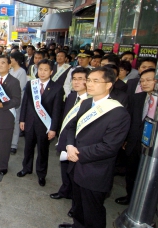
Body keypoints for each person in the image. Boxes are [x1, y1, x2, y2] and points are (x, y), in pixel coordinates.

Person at [59, 67, 130, 228]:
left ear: (108, 84)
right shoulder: (86, 104)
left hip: (94, 172)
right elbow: (72, 127)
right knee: (78, 206)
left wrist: (78, 153)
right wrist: (70, 145)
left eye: (95, 81)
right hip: (75, 166)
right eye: (89, 80)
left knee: (93, 212)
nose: (89, 84)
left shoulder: (118, 113)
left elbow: (109, 147)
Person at [50, 68, 90, 217]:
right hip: (66, 139)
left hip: (79, 145)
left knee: (75, 175)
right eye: (74, 79)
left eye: (81, 79)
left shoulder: (91, 101)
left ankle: (76, 204)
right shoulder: (72, 96)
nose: (77, 82)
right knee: (65, 169)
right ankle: (64, 191)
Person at [17, 59, 64, 186]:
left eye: (45, 70)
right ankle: (26, 168)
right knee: (28, 148)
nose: (42, 73)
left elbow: (57, 111)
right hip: (29, 122)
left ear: (51, 72)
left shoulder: (57, 88)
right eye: (40, 69)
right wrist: (22, 120)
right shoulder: (31, 84)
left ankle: (41, 174)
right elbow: (25, 103)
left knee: (43, 151)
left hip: (45, 125)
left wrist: (53, 128)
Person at [115, 68, 157, 206]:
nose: (144, 83)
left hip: (153, 147)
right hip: (134, 143)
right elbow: (130, 120)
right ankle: (131, 197)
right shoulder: (136, 98)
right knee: (132, 172)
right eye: (142, 80)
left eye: (149, 80)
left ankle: (147, 204)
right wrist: (125, 139)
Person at [9, 51, 28, 155]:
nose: (10, 60)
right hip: (8, 100)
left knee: (16, 122)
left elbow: (20, 88)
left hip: (16, 100)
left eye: (11, 58)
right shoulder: (10, 70)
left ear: (16, 60)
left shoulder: (22, 72)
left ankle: (14, 145)